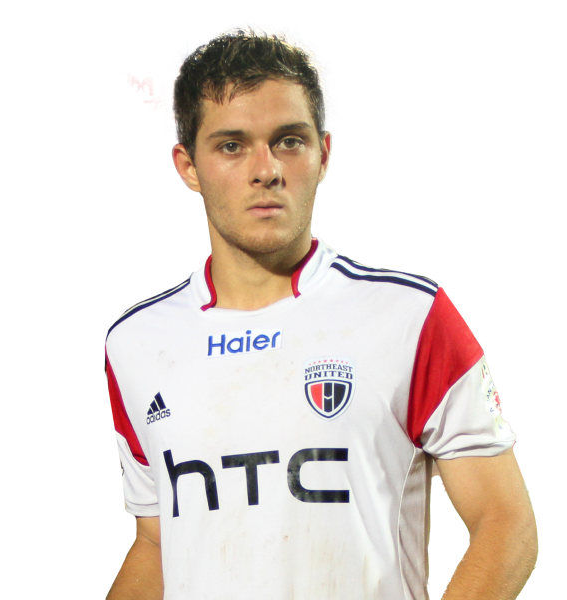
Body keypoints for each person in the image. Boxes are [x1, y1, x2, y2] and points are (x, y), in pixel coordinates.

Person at [105, 22, 538, 600]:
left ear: (324, 153)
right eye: (232, 145)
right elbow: (158, 542)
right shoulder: (135, 344)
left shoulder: (410, 316)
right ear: (187, 165)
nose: (267, 170)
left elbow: (504, 523)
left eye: (289, 140)